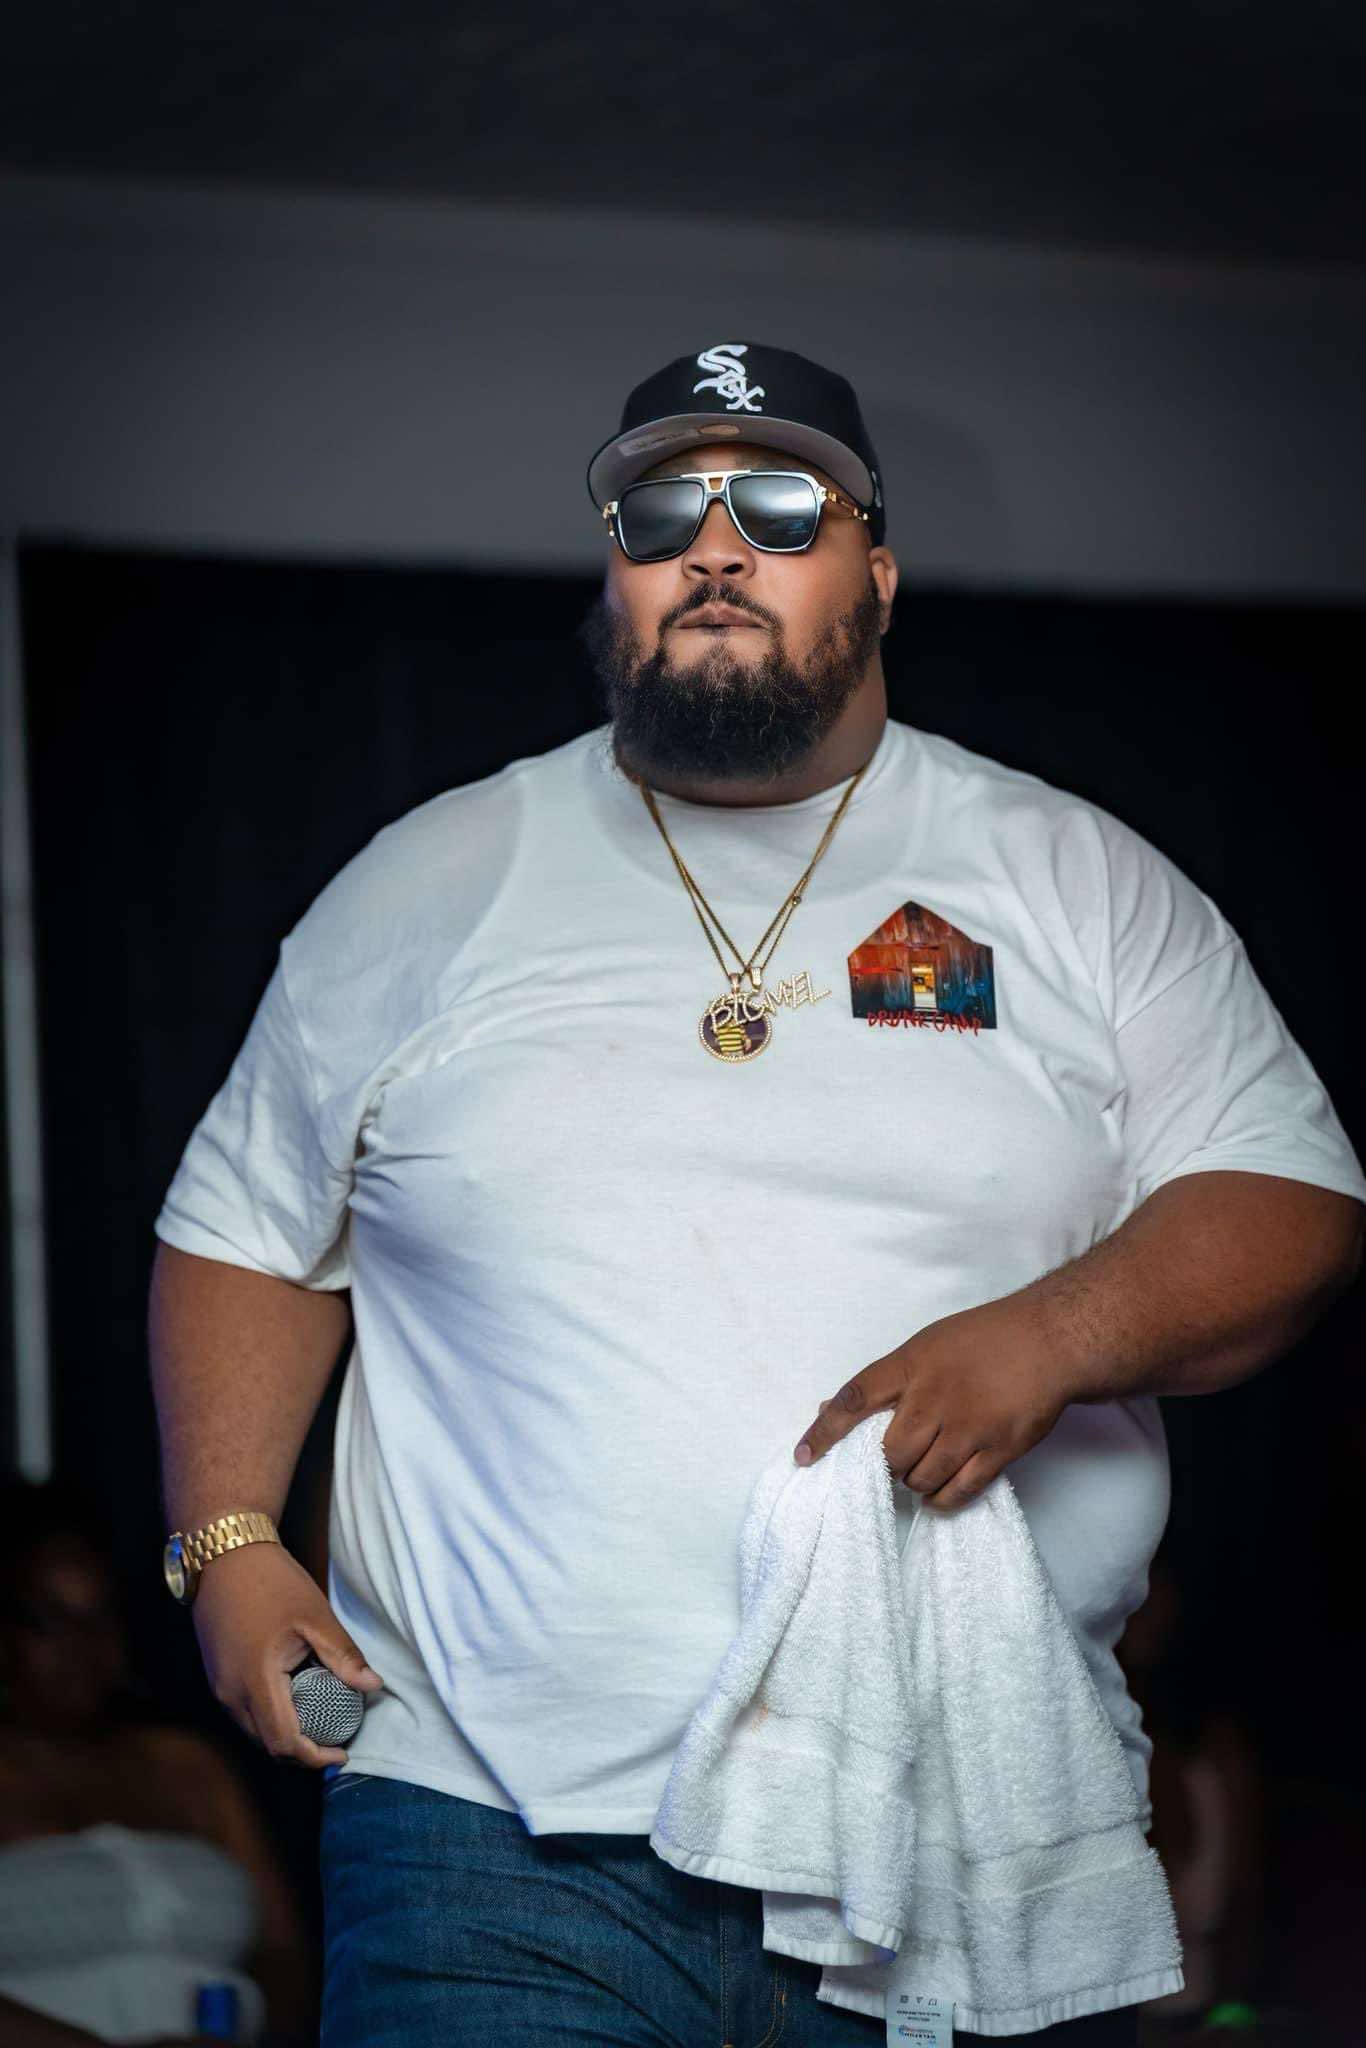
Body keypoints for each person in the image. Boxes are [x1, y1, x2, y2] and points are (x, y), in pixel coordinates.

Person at [147, 341, 1366, 2046]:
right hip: (490, 1832)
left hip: (947, 1825)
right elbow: (245, 1231)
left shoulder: (1072, 877)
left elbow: (1288, 1197)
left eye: (780, 507)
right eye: (662, 516)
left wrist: (1054, 1334)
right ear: (616, 577)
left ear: (878, 569)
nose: (714, 549)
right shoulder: (428, 881)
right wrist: (225, 1542)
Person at [0, 1477, 315, 2045]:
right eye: (49, 1621)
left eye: (100, 1617)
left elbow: (283, 1955)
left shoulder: (188, 1767)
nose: (83, 1646)